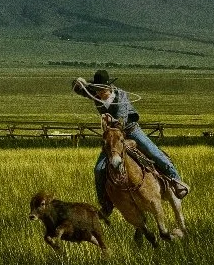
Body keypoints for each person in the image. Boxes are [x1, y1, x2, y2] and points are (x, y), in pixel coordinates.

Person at [73, 70, 190, 217]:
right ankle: (106, 203)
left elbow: (121, 120)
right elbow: (82, 89)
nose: (99, 93)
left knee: (155, 153)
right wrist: (77, 84)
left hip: (130, 130)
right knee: (98, 169)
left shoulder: (120, 96)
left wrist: (110, 122)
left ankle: (176, 181)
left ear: (109, 87)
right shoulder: (95, 91)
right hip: (113, 137)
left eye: (102, 90)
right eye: (97, 89)